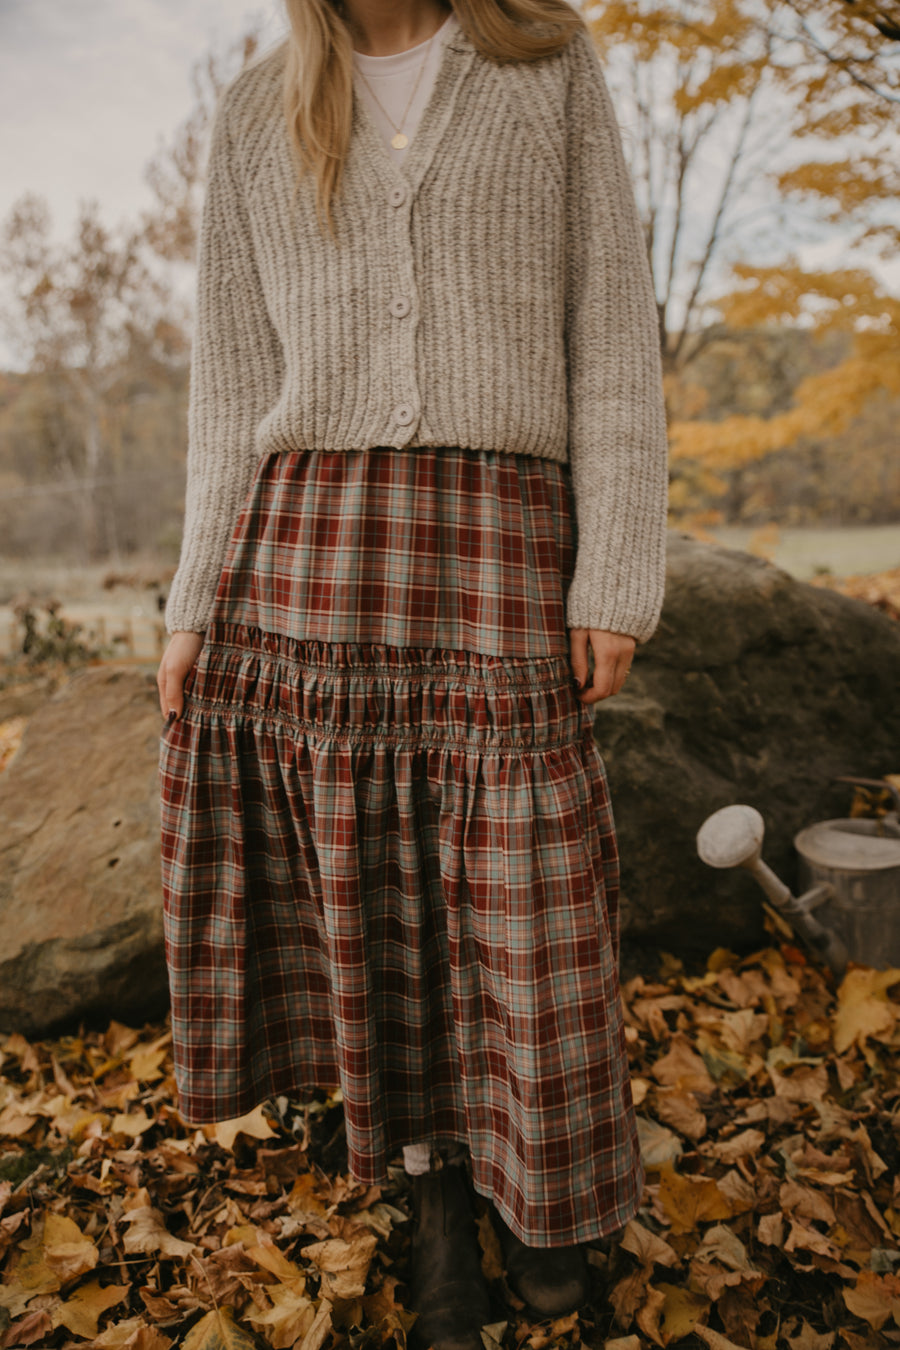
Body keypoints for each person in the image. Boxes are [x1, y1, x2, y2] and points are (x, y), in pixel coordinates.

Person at [157, 0, 668, 1342]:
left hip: (501, 538)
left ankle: (539, 1183)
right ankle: (433, 1186)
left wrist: (614, 564)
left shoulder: (545, 67)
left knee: (523, 887)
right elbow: (229, 382)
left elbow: (611, 325)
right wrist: (192, 599)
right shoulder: (258, 110)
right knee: (371, 888)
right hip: (309, 548)